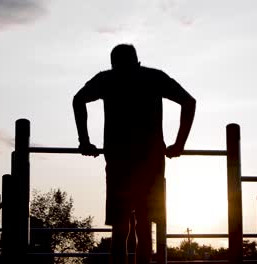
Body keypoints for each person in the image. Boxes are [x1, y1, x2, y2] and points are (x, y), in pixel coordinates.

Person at [73, 44, 196, 264]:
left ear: (113, 64)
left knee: (122, 228)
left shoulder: (108, 79)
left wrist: (85, 141)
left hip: (122, 159)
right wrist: (179, 144)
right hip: (147, 161)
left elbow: (78, 99)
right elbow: (189, 102)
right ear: (137, 60)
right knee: (143, 223)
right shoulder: (152, 77)